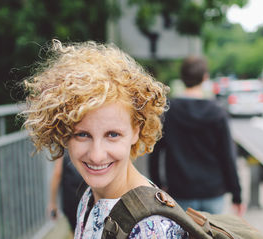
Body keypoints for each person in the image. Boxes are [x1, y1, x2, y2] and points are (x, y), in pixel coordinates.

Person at [20, 40, 188, 238]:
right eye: (82, 134)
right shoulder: (90, 196)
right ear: (63, 133)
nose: (97, 155)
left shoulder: (151, 228)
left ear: (136, 130)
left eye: (113, 135)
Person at [149, 55, 245, 216]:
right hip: (213, 191)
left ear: (182, 77)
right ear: (205, 77)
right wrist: (237, 195)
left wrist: (157, 186)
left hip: (179, 191)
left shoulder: (168, 111)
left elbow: (155, 152)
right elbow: (228, 155)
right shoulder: (217, 112)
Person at [48, 152, 86, 233]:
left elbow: (57, 174)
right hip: (88, 197)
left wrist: (52, 203)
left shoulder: (63, 149)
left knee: (76, 231)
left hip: (71, 199)